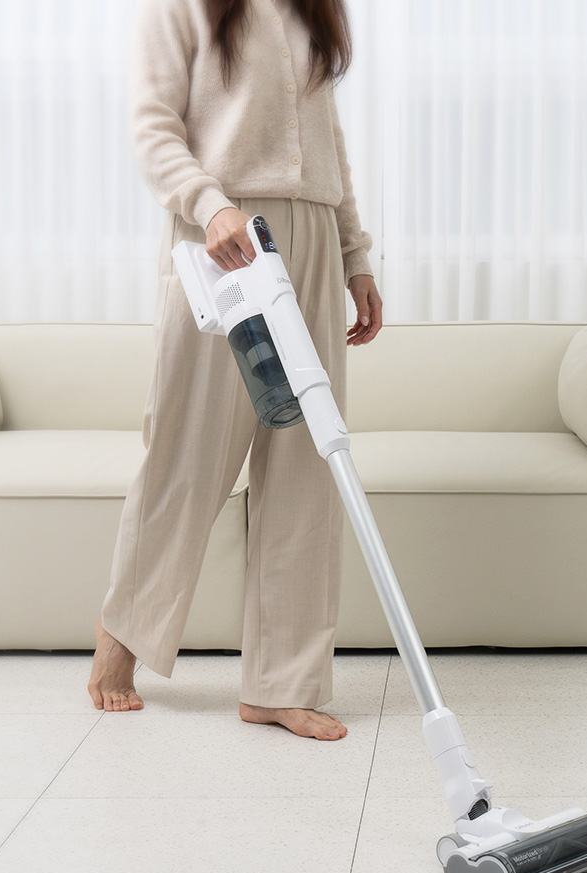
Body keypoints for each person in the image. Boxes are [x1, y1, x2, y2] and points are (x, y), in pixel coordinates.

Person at [87, 0, 383, 740]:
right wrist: (209, 203)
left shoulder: (312, 10)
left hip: (312, 234)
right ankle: (121, 637)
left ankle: (283, 684)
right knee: (186, 455)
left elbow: (328, 141)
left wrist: (354, 255)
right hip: (220, 239)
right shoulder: (181, 7)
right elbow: (153, 126)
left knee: (306, 464)